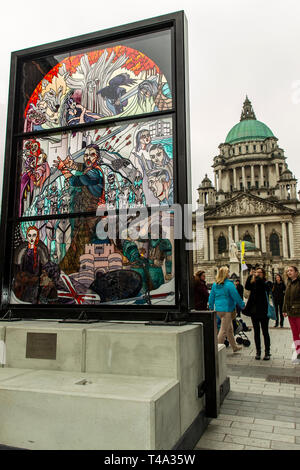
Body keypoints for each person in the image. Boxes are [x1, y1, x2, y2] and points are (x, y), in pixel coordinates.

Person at [209, 266, 245, 352]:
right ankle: (216, 350)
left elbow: (211, 297)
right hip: (227, 309)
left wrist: (211, 307)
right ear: (225, 274)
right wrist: (242, 304)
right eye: (228, 272)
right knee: (223, 330)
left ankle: (234, 347)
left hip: (218, 309)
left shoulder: (215, 284)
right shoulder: (229, 285)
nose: (229, 274)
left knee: (229, 329)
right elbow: (236, 296)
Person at [243, 267, 272, 360]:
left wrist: (257, 277)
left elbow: (264, 287)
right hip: (254, 311)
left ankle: (267, 351)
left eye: (260, 272)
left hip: (263, 311)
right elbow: (247, 286)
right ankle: (258, 351)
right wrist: (250, 276)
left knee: (265, 332)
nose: (258, 274)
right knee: (256, 332)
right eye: (257, 272)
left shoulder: (266, 283)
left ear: (263, 274)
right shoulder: (254, 282)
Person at [283, 266, 300, 363]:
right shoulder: (288, 283)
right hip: (291, 313)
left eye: (291, 270)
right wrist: (284, 309)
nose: (289, 272)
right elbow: (286, 298)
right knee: (295, 334)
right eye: (288, 271)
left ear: (296, 272)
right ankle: (299, 351)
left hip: (298, 312)